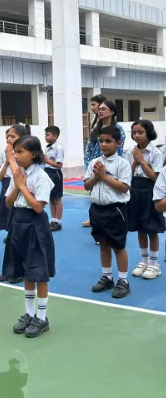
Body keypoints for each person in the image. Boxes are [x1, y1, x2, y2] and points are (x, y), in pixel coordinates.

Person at [4, 136, 55, 338]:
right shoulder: (17, 174)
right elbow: (8, 203)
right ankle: (29, 313)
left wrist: (23, 187)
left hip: (35, 225)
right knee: (25, 269)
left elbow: (38, 207)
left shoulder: (41, 176)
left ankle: (41, 318)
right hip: (18, 224)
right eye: (14, 152)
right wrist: (17, 185)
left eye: (20, 152)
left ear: (33, 154)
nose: (15, 156)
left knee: (38, 271)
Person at [84, 125, 132, 299]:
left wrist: (104, 176)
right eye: (101, 141)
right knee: (103, 245)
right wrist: (96, 177)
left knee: (118, 246)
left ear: (118, 143)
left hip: (115, 210)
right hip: (97, 210)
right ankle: (107, 277)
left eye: (108, 141)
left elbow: (124, 187)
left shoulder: (123, 164)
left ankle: (123, 280)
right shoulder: (94, 163)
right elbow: (86, 185)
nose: (103, 144)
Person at [124, 120, 164, 280]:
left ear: (148, 133)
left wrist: (141, 160)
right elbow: (127, 175)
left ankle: (154, 264)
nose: (137, 135)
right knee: (140, 228)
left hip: (150, 191)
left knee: (151, 228)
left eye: (140, 132)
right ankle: (144, 261)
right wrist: (134, 162)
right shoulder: (130, 153)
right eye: (134, 132)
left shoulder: (156, 153)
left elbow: (156, 178)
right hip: (135, 191)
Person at [0, 124, 30, 284]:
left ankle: (19, 269)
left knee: (20, 235)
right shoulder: (6, 154)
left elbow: (19, 174)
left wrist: (11, 158)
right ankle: (11, 270)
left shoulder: (24, 155)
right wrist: (7, 160)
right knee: (11, 234)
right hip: (9, 188)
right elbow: (1, 176)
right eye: (7, 136)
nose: (9, 139)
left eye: (13, 136)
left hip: (22, 193)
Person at [83, 100, 125, 228]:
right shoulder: (95, 130)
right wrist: (89, 166)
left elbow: (120, 149)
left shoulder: (118, 130)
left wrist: (113, 165)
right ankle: (94, 219)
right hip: (95, 165)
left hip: (111, 165)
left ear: (112, 112)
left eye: (103, 109)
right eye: (99, 109)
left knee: (110, 190)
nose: (100, 111)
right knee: (95, 191)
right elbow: (89, 149)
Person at [44, 126, 65, 231]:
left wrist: (46, 161)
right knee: (51, 198)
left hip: (55, 173)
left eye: (48, 135)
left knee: (57, 198)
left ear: (55, 136)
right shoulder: (47, 147)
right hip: (47, 172)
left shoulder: (58, 148)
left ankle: (58, 222)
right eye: (45, 135)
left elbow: (59, 165)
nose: (46, 137)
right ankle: (53, 220)